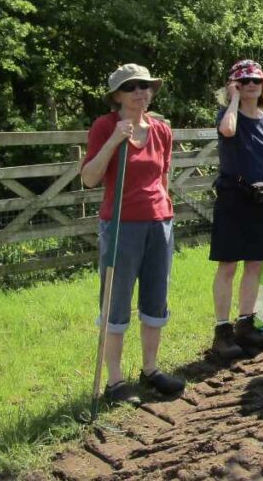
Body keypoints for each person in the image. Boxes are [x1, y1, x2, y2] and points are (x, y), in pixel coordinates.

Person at [82, 63, 185, 405]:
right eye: (132, 87)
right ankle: (114, 382)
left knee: (156, 298)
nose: (141, 92)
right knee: (116, 302)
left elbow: (163, 175)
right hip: (121, 225)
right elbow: (89, 178)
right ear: (117, 96)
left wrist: (164, 210)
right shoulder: (105, 126)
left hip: (159, 223)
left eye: (145, 85)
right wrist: (114, 140)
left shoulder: (161, 130)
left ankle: (151, 370)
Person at [208, 59, 263, 359]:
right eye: (243, 82)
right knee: (228, 265)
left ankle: (245, 325)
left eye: (255, 81)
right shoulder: (228, 116)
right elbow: (228, 131)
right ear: (234, 85)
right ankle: (222, 333)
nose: (250, 86)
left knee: (255, 264)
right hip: (234, 199)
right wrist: (232, 100)